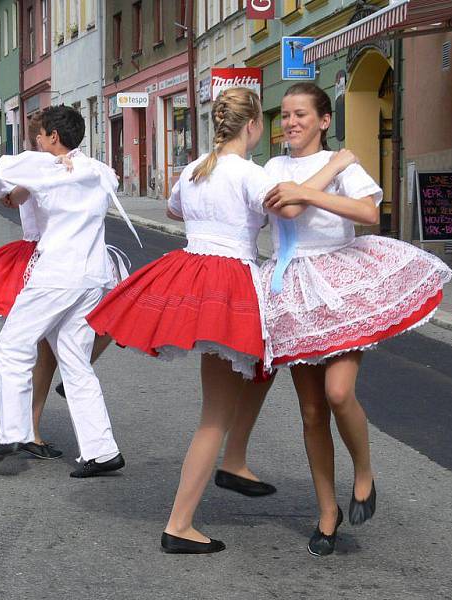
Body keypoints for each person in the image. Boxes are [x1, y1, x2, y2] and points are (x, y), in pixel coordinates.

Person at [88, 88, 293, 553]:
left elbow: (173, 209)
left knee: (253, 375)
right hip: (230, 281)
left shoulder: (197, 169)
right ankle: (180, 523)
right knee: (214, 416)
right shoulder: (248, 173)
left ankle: (234, 462)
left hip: (195, 271)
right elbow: (289, 208)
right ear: (254, 126)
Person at [258, 82, 452, 556]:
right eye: (285, 115)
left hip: (341, 283)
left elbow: (367, 212)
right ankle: (327, 511)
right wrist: (332, 169)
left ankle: (363, 472)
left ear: (324, 120)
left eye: (301, 114)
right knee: (309, 412)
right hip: (292, 287)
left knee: (338, 392)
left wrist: (335, 172)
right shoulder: (274, 166)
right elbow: (288, 205)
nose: (291, 123)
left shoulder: (347, 164)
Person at [0, 105, 127, 478]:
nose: (37, 141)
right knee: (75, 361)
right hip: (93, 276)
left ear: (53, 137)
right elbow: (110, 181)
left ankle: (14, 432)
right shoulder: (98, 169)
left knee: (10, 348)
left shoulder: (39, 165)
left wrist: (21, 180)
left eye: (41, 135)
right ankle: (102, 450)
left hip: (56, 272)